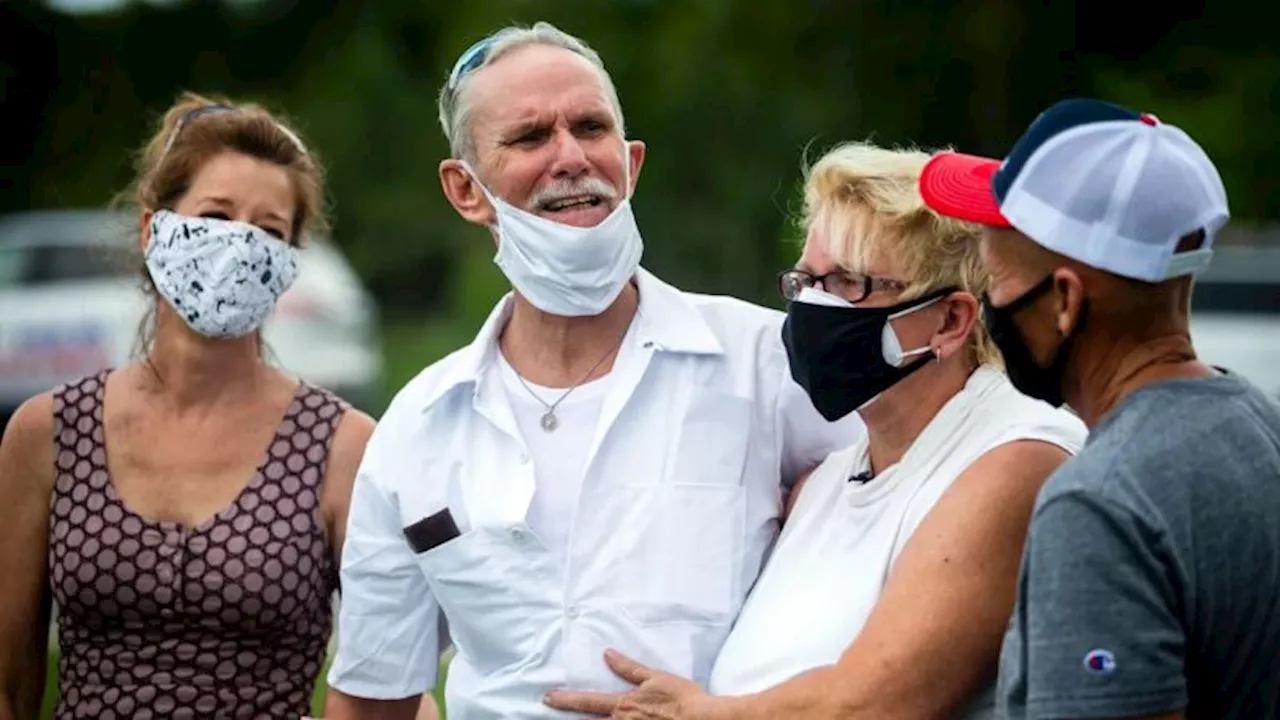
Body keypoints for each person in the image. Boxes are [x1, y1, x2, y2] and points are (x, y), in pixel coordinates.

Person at [322, 21, 859, 720]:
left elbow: (896, 539)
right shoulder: (418, 428)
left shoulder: (768, 363)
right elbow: (372, 697)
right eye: (530, 137)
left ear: (630, 161)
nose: (570, 156)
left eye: (590, 127)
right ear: (465, 189)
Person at [543, 142, 1088, 720]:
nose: (810, 306)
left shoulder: (1020, 454)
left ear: (951, 320)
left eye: (847, 283)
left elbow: (878, 702)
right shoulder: (826, 483)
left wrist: (697, 714)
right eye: (804, 279)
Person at [0, 92, 427, 720]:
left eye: (268, 231)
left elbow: (395, 683)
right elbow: (8, 685)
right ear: (156, 230)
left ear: (289, 265)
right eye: (216, 215)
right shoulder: (48, 434)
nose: (238, 245)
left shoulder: (342, 447)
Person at [918, 98, 1280, 719]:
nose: (986, 303)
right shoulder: (1261, 425)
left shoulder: (1101, 506)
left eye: (995, 278)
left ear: (1064, 300)